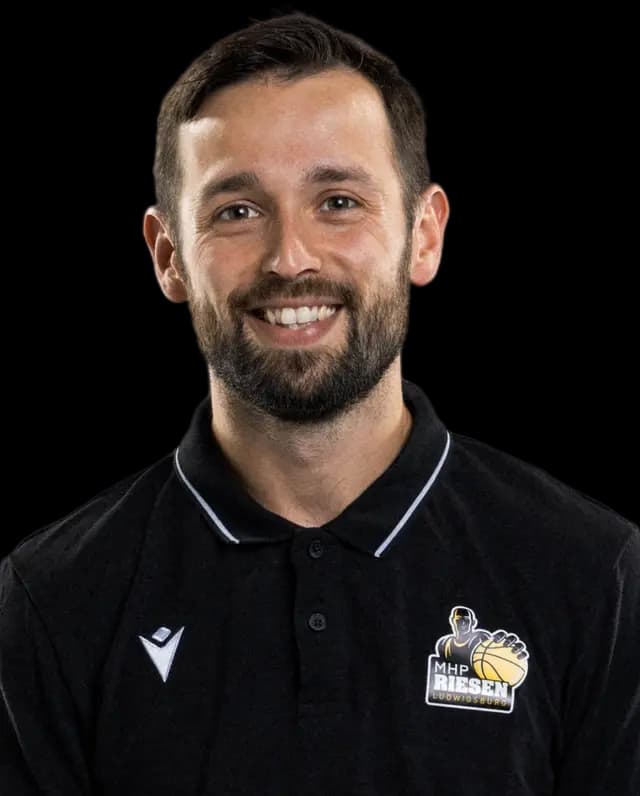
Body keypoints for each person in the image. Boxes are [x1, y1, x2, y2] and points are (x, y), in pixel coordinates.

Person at [1, 11, 638, 795]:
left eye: (338, 201)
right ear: (168, 257)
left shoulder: (593, 572)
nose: (290, 257)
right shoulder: (52, 597)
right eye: (237, 211)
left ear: (424, 234)